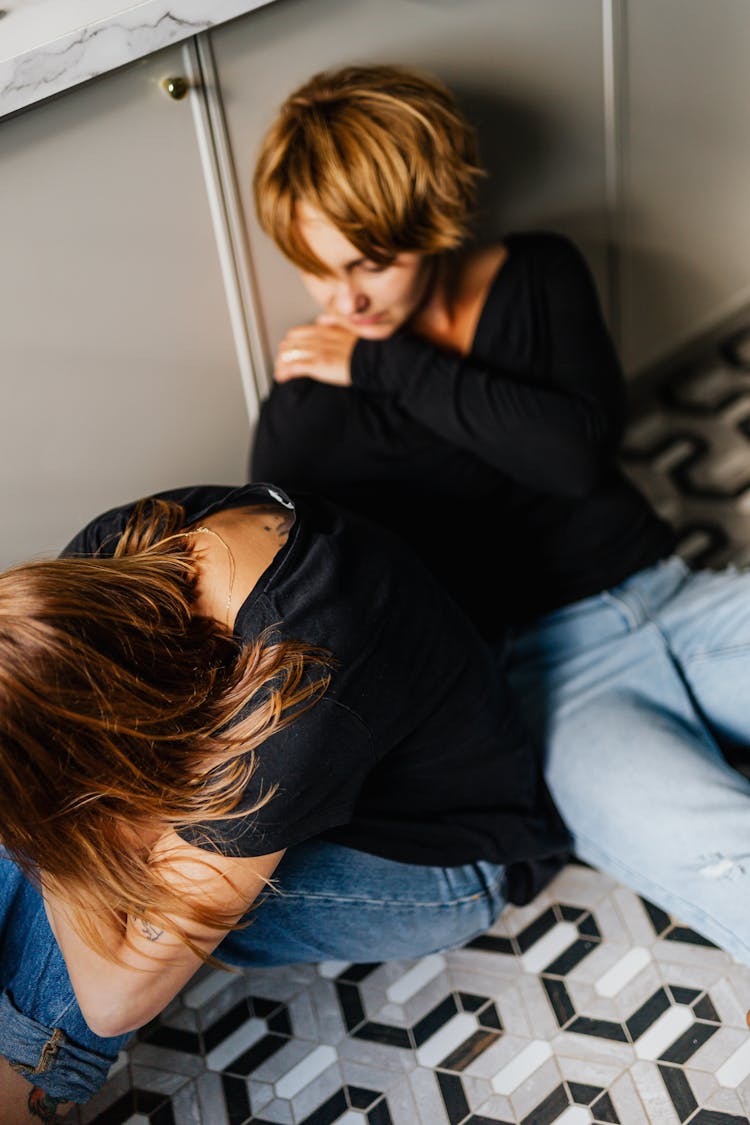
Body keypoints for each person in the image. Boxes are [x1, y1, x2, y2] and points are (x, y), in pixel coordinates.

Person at [250, 62, 750, 967]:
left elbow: (572, 456)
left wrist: (385, 365)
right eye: (318, 272)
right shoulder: (305, 416)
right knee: (728, 858)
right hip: (553, 687)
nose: (345, 301)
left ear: (433, 220)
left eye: (370, 264)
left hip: (672, 596)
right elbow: (311, 612)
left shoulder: (537, 276)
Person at [0, 481, 569, 1119]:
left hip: (443, 860)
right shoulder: (100, 572)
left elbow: (112, 1004)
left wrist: (51, 837)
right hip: (324, 773)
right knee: (52, 838)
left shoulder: (283, 700)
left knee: (83, 875)